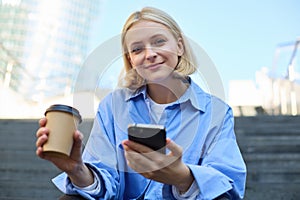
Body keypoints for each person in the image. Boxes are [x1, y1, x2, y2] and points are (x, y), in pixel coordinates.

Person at [36, 7, 246, 200]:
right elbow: (105, 177)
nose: (150, 54)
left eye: (159, 41)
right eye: (137, 49)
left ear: (180, 46)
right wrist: (77, 170)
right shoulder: (113, 105)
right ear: (131, 60)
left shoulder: (216, 112)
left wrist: (183, 177)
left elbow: (227, 183)